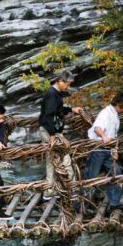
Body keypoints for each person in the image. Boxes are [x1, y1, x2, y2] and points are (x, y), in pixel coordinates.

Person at [84, 93, 123, 213]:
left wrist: (114, 151)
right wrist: (104, 136)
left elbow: (114, 136)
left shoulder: (115, 115)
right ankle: (83, 205)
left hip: (108, 150)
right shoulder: (105, 113)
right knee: (91, 177)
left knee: (116, 174)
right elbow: (97, 128)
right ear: (120, 105)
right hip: (98, 149)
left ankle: (114, 203)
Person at [38, 70, 82, 199]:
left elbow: (57, 110)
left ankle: (50, 191)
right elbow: (48, 116)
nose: (67, 87)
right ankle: (70, 189)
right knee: (65, 158)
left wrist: (71, 109)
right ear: (60, 81)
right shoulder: (52, 94)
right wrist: (52, 135)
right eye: (67, 84)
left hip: (51, 130)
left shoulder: (56, 94)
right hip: (51, 131)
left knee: (52, 161)